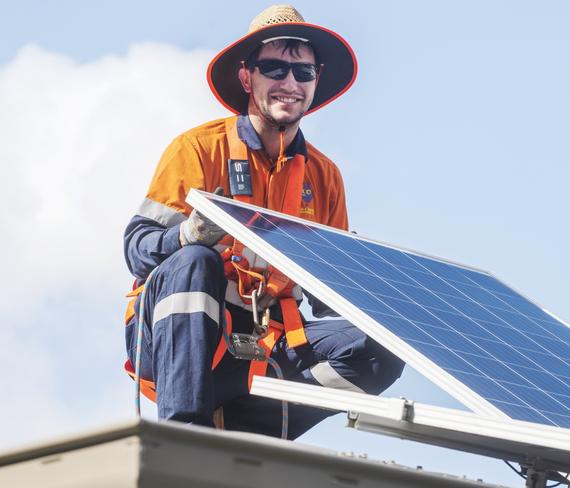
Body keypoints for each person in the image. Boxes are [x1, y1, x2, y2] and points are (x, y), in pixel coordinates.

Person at [123, 4, 404, 439]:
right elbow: (137, 248)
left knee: (388, 340)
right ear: (246, 77)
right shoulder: (200, 149)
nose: (289, 83)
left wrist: (371, 282)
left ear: (315, 81)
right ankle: (183, 435)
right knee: (194, 261)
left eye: (302, 73)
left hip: (267, 345)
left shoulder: (324, 176)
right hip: (186, 345)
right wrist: (187, 234)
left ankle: (263, 421)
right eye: (273, 68)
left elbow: (329, 300)